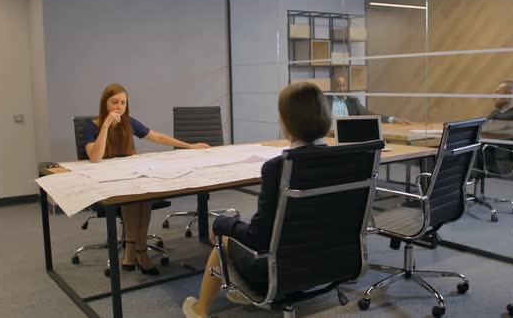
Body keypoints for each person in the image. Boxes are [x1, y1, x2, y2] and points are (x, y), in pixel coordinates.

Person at [182, 82, 331, 318]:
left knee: (225, 237)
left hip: (282, 270)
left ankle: (200, 309)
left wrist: (222, 223)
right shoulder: (347, 160)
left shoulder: (278, 168)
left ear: (284, 120)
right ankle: (243, 291)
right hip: (333, 263)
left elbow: (258, 238)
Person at [83, 83, 210, 275]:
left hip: (129, 174)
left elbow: (156, 137)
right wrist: (107, 124)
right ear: (105, 104)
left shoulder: (129, 122)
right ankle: (139, 252)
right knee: (132, 198)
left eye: (123, 103)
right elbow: (95, 156)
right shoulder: (91, 126)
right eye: (114, 102)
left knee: (144, 198)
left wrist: (189, 146)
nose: (119, 107)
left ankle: (133, 250)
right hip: (107, 181)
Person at [474, 80, 513, 175]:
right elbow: (483, 130)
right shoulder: (496, 112)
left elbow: (512, 143)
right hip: (483, 151)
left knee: (457, 156)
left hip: (496, 157)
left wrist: (485, 136)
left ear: (509, 95)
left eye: (497, 92)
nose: (493, 97)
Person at [326, 75, 411, 124]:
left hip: (347, 137)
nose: (341, 89)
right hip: (328, 137)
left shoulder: (353, 102)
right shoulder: (325, 102)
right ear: (332, 87)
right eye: (338, 86)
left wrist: (392, 119)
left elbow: (370, 114)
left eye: (343, 86)